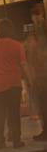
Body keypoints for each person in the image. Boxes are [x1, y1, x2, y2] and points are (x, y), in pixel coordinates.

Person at [0, 18, 29, 149]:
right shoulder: (17, 45)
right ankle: (16, 140)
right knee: (14, 112)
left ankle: (1, 142)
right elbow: (23, 65)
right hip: (14, 84)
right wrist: (28, 79)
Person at [25, 10, 47, 141]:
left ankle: (45, 132)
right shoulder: (37, 33)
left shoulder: (38, 33)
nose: (36, 18)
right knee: (43, 105)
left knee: (44, 105)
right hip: (40, 76)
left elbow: (35, 53)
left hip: (42, 76)